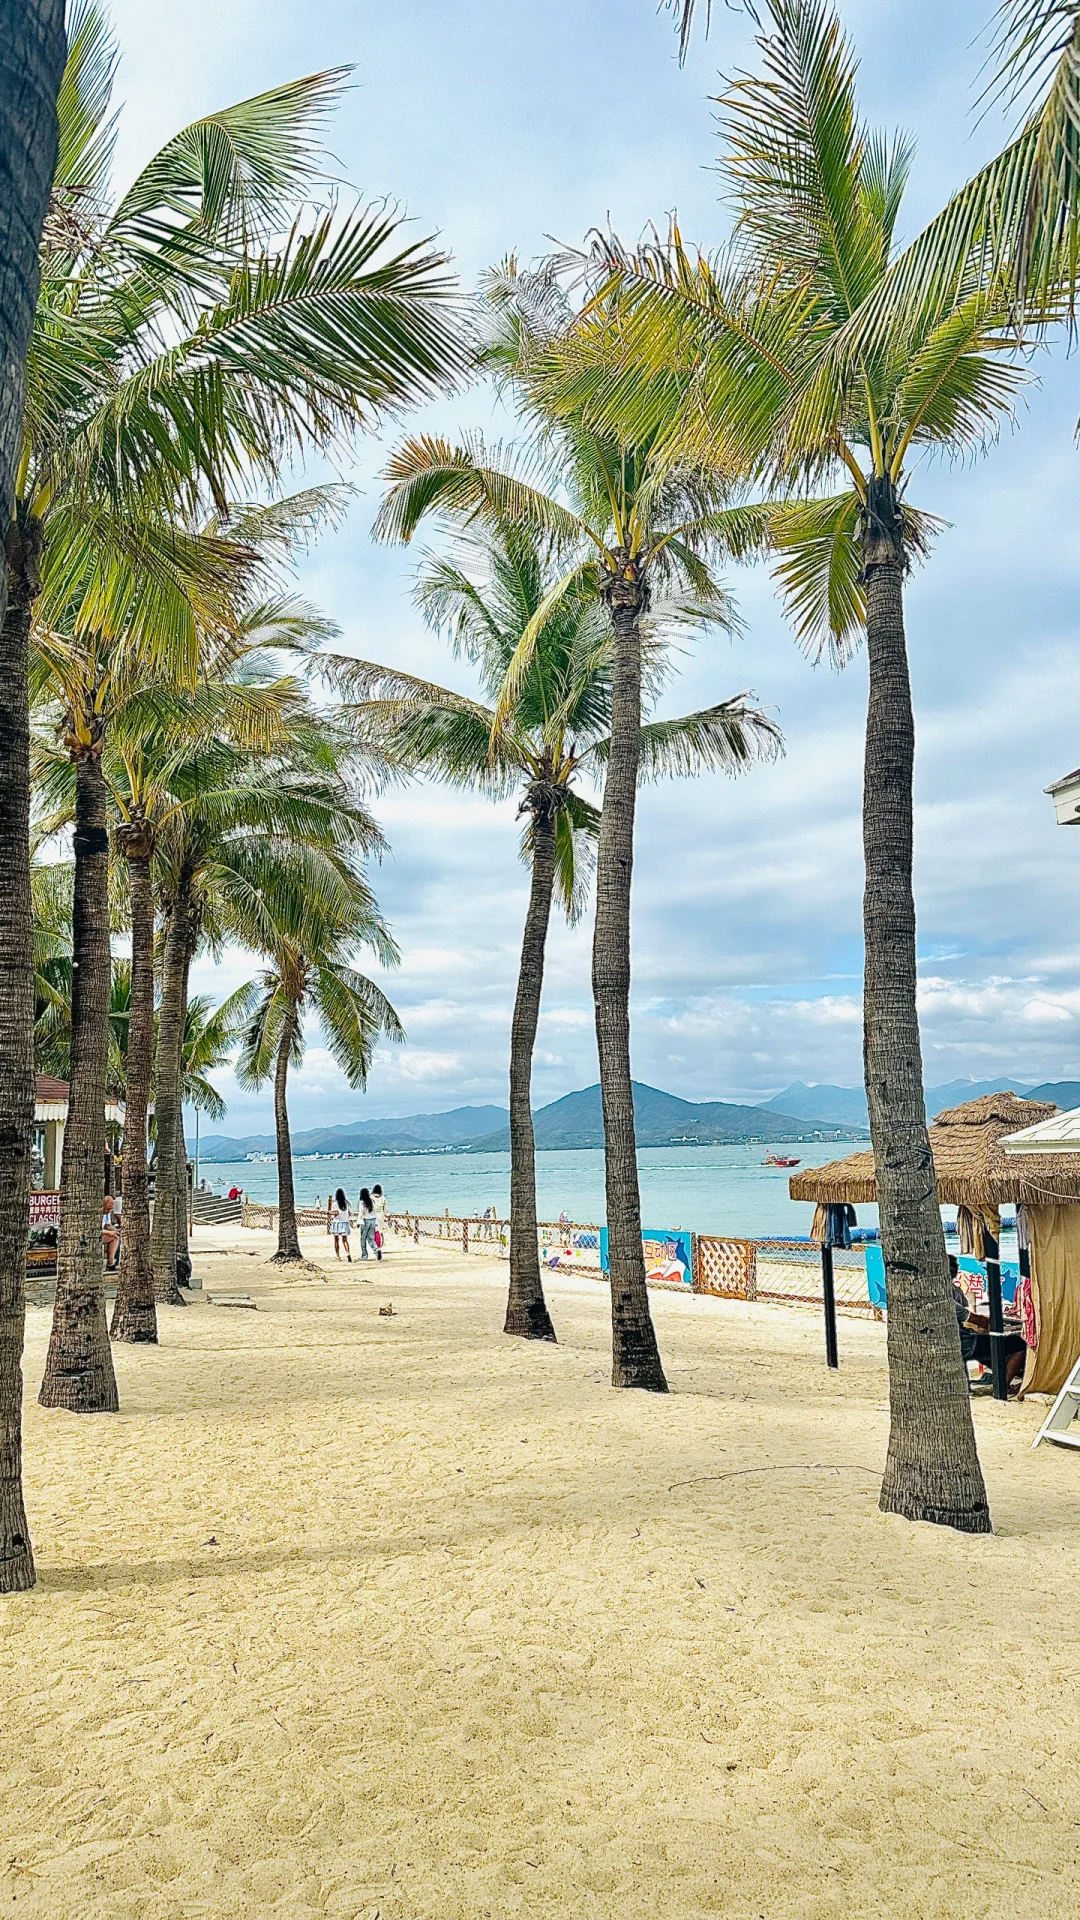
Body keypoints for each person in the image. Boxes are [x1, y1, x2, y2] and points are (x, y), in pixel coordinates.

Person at [327, 1188, 352, 1262]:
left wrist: (329, 1212)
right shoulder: (346, 1203)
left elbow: (336, 1213)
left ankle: (338, 1256)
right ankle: (348, 1254)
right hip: (345, 1222)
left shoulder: (335, 1203)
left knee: (336, 1240)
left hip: (337, 1222)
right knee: (345, 1240)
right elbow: (349, 1213)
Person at [102, 1195, 121, 1272]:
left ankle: (111, 1264)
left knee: (116, 1236)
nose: (109, 1211)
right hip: (94, 1234)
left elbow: (108, 1225)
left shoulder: (107, 1214)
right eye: (107, 1209)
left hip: (103, 1232)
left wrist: (117, 1231)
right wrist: (109, 1232)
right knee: (112, 1236)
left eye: (111, 1209)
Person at [357, 1187, 377, 1261]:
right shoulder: (372, 1201)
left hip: (365, 1221)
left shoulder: (362, 1202)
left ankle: (364, 1256)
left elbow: (361, 1212)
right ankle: (377, 1251)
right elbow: (375, 1210)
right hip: (373, 1220)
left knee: (363, 1239)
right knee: (371, 1238)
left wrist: (358, 1221)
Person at [371, 1184, 388, 1261]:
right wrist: (387, 1216)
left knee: (373, 1232)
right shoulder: (383, 1198)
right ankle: (380, 1246)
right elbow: (385, 1210)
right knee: (380, 1231)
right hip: (380, 1216)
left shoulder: (370, 1197)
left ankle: (375, 1246)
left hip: (372, 1216)